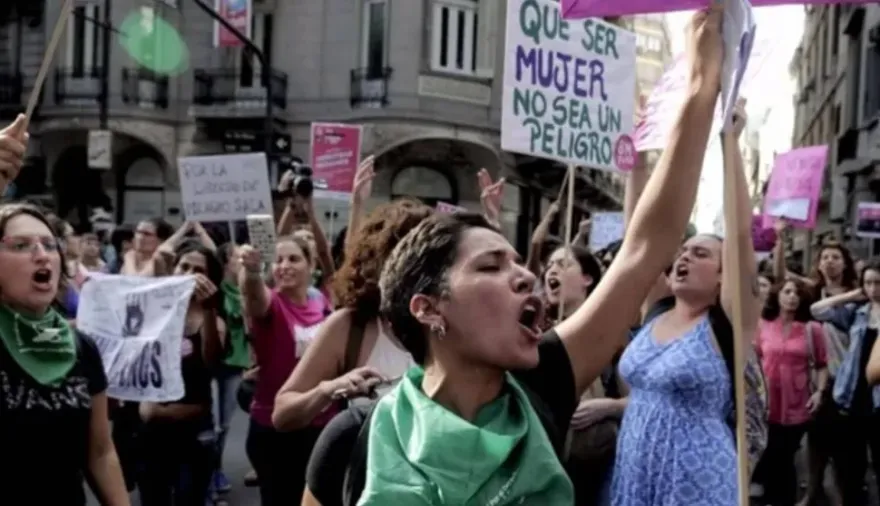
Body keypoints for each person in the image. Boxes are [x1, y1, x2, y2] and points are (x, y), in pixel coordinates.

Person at [303, 7, 724, 505]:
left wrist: (701, 86)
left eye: (516, 261)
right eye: (489, 266)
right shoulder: (352, 438)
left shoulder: (542, 383)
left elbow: (645, 246)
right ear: (429, 307)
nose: (525, 274)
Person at [611, 44, 759, 506]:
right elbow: (639, 237)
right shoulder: (654, 310)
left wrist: (729, 142)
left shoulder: (727, 324)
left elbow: (738, 237)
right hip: (636, 470)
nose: (683, 258)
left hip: (697, 482)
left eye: (699, 253)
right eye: (682, 251)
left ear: (722, 277)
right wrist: (636, 160)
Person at [0, 114, 129, 505]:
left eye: (48, 244)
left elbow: (101, 452)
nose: (41, 254)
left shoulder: (81, 349)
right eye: (20, 245)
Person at [272, 200, 431, 431]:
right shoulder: (350, 326)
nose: (423, 268)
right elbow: (283, 413)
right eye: (412, 256)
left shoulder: (458, 325)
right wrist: (328, 389)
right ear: (381, 262)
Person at [239, 235, 331, 506]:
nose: (284, 266)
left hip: (319, 425)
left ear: (310, 264)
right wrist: (252, 271)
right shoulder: (272, 303)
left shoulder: (322, 302)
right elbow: (254, 296)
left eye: (293, 258)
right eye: (278, 260)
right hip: (275, 428)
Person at [138, 241, 225, 506]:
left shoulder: (215, 321)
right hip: (151, 432)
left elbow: (212, 361)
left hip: (193, 431)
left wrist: (208, 309)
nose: (189, 273)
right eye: (183, 266)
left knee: (190, 498)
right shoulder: (152, 313)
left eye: (198, 270)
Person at [810, 260, 880, 504]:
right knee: (852, 467)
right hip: (853, 396)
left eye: (878, 283)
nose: (873, 289)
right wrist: (853, 294)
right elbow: (817, 310)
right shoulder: (857, 313)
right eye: (869, 283)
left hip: (878, 399)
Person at [753, 279, 827, 506]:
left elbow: (822, 364)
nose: (792, 296)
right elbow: (754, 360)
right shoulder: (762, 325)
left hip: (797, 403)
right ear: (777, 295)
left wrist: (819, 392)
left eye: (797, 293)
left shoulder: (811, 329)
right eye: (787, 291)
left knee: (784, 456)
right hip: (766, 403)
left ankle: (781, 500)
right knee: (771, 455)